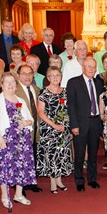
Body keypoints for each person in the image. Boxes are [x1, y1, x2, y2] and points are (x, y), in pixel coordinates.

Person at [0, 72, 37, 209]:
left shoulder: (20, 99)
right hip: (6, 139)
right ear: (2, 85)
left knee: (21, 166)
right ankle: (4, 195)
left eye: (12, 82)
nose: (10, 85)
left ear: (16, 85)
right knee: (5, 167)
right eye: (7, 82)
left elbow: (30, 118)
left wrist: (26, 122)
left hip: (22, 140)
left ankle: (19, 194)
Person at [66, 57, 104, 192]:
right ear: (83, 67)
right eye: (88, 66)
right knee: (80, 153)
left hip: (95, 122)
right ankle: (79, 180)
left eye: (93, 67)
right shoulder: (73, 82)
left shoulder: (99, 83)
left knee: (93, 153)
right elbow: (71, 106)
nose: (91, 69)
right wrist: (74, 125)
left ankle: (92, 179)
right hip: (80, 124)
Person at [36, 66, 73, 194]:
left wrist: (68, 128)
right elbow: (40, 112)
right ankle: (53, 182)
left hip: (63, 129)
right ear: (48, 77)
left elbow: (70, 110)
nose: (55, 78)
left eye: (58, 75)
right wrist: (54, 125)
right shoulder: (44, 92)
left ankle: (59, 180)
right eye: (52, 75)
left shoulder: (65, 91)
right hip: (49, 129)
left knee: (61, 154)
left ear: (61, 77)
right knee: (51, 155)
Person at [15, 64, 42, 193]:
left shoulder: (36, 89)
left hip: (35, 129)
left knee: (33, 157)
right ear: (18, 75)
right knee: (21, 158)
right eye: (24, 74)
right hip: (21, 131)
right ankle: (20, 186)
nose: (27, 76)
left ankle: (31, 182)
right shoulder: (14, 91)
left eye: (30, 73)